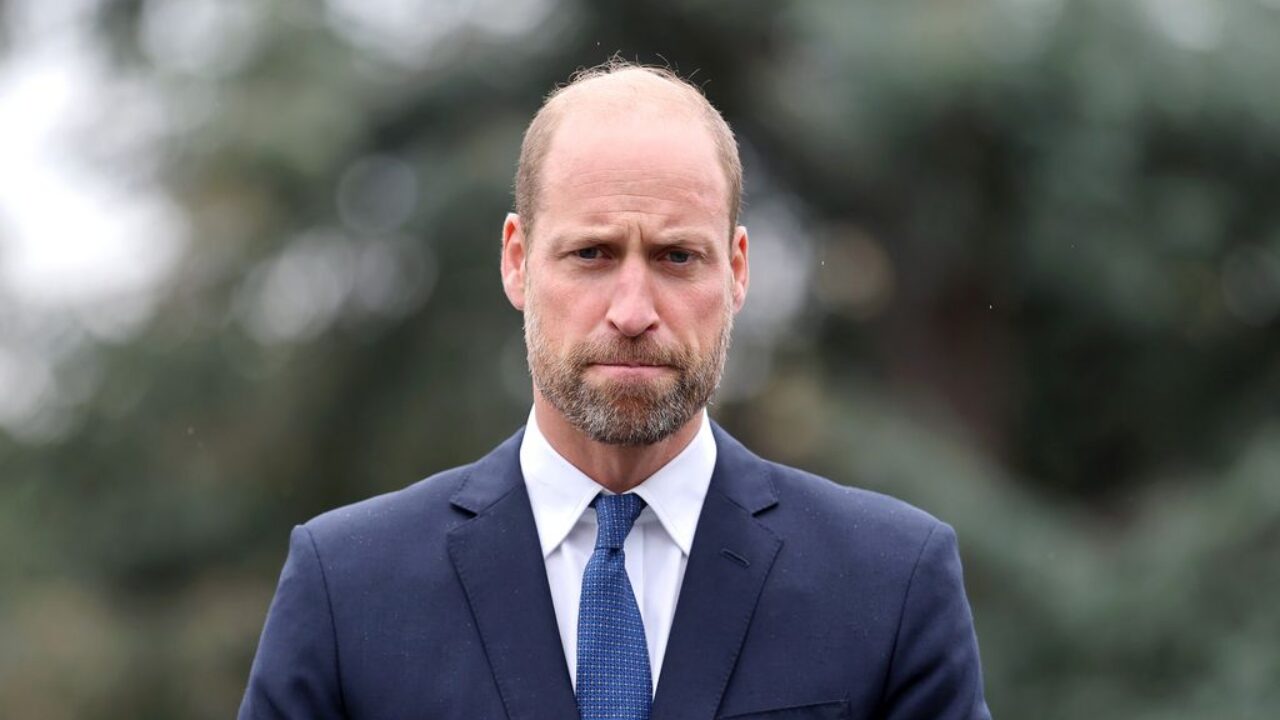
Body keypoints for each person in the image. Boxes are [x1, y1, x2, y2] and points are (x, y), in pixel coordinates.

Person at [239, 59, 991, 720]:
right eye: (592, 253)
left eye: (676, 256)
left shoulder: (888, 583)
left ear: (735, 269)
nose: (633, 311)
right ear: (517, 261)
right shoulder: (348, 589)